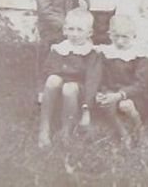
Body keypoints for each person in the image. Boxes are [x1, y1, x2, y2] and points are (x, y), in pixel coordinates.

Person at [38, 9, 101, 148]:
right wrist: (41, 91)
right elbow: (46, 71)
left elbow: (92, 81)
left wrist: (87, 108)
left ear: (89, 33)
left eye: (79, 30)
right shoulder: (59, 49)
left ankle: (67, 132)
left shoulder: (91, 53)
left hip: (80, 90)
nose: (74, 34)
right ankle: (44, 129)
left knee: (69, 88)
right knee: (52, 79)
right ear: (64, 30)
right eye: (71, 29)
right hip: (59, 86)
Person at [93, 15, 148, 144]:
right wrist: (101, 92)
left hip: (134, 96)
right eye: (115, 36)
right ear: (109, 35)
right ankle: (123, 133)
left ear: (133, 36)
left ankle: (140, 129)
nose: (119, 41)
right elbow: (102, 78)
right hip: (111, 92)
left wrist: (120, 95)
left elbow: (141, 85)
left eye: (125, 37)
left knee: (126, 104)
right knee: (105, 100)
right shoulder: (106, 53)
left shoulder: (140, 54)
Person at [35, 0, 81, 100]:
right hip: (50, 32)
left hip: (67, 33)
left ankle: (61, 84)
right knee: (47, 59)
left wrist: (75, 23)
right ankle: (42, 89)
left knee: (64, 58)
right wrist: (66, 26)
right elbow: (46, 12)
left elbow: (76, 11)